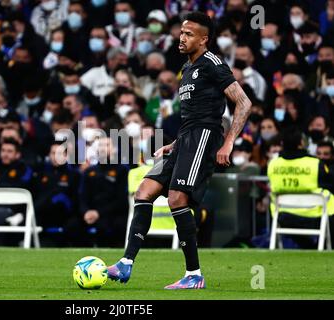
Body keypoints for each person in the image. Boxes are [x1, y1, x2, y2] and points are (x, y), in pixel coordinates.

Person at [107, 12, 252, 289]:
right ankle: (126, 264)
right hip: (186, 138)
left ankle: (194, 274)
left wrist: (229, 141)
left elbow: (243, 103)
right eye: (181, 32)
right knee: (144, 191)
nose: (181, 37)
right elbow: (194, 115)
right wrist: (174, 143)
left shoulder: (212, 63)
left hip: (205, 138)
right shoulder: (186, 69)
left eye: (188, 34)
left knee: (177, 199)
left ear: (203, 39)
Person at [267, 127, 334, 249]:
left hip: (283, 214)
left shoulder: (273, 164)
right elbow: (330, 184)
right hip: (315, 214)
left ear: (282, 144)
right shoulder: (315, 163)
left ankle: (309, 247)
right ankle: (321, 246)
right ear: (301, 143)